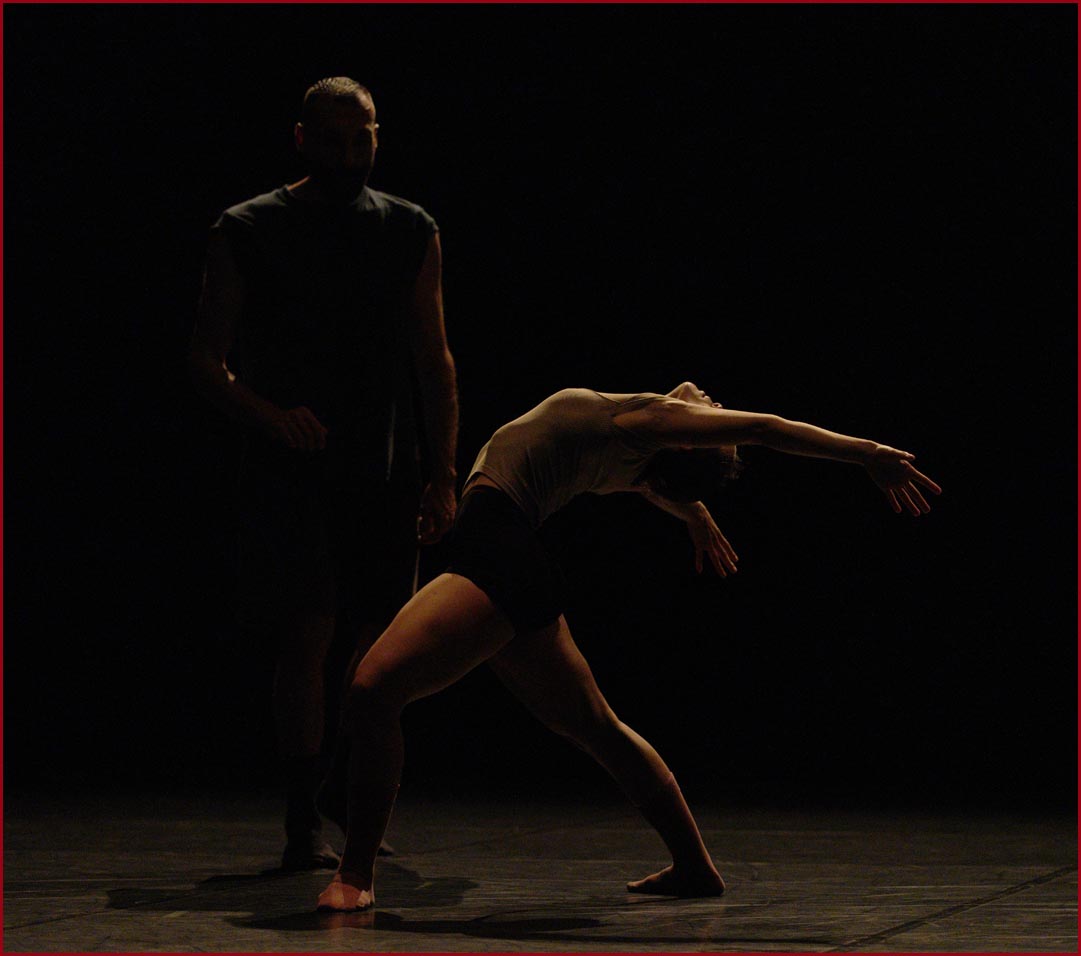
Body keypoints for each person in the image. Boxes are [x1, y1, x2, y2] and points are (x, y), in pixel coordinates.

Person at [313, 381, 942, 911]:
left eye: (712, 415)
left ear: (686, 437)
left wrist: (867, 453)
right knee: (597, 727)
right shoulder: (630, 457)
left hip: (496, 556)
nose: (712, 399)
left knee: (372, 692)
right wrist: (693, 514)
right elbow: (658, 482)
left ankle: (355, 876)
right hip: (513, 563)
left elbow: (766, 428)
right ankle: (694, 867)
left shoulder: (647, 422)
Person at [188, 77, 458, 870]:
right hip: (293, 467)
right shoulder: (249, 227)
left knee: (380, 645)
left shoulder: (408, 228)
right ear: (302, 138)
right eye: (334, 141)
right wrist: (270, 415)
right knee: (307, 632)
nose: (349, 156)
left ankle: (343, 789)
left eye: (362, 139)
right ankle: (301, 817)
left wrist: (442, 472)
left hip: (384, 464)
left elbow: (434, 359)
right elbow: (205, 360)